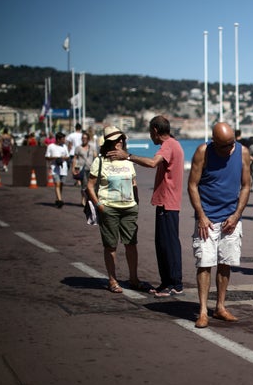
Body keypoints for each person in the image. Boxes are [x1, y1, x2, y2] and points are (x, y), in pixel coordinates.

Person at [109, 115, 185, 297]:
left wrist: (127, 156)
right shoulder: (173, 145)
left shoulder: (169, 145)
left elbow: (152, 163)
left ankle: (175, 284)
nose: (150, 136)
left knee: (169, 244)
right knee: (162, 244)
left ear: (155, 131)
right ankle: (167, 282)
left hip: (169, 202)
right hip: (166, 202)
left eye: (150, 132)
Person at [188, 122, 251, 328]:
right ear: (214, 142)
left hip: (231, 218)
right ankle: (203, 310)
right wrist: (201, 216)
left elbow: (246, 185)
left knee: (225, 262)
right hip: (207, 217)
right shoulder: (203, 152)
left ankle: (220, 306)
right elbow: (192, 185)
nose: (230, 149)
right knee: (204, 263)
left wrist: (236, 215)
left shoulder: (242, 152)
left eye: (232, 143)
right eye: (225, 146)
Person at [85, 126, 148, 293]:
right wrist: (99, 205)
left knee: (131, 244)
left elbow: (133, 182)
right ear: (109, 142)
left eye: (122, 139)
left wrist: (136, 202)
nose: (120, 141)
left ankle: (133, 278)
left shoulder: (128, 160)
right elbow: (90, 186)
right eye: (117, 139)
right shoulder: (100, 161)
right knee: (110, 246)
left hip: (129, 208)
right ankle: (112, 280)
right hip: (109, 208)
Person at [45, 132, 70, 207]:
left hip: (63, 168)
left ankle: (57, 198)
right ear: (58, 139)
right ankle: (60, 200)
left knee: (61, 184)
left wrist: (62, 158)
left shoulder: (64, 146)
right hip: (54, 168)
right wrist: (55, 158)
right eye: (63, 139)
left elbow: (67, 156)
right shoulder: (51, 146)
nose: (64, 140)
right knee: (57, 184)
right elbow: (46, 157)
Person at [71, 131, 96, 206]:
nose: (84, 139)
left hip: (91, 168)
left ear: (88, 139)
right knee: (84, 185)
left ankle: (88, 199)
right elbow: (75, 158)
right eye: (82, 138)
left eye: (85, 138)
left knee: (91, 185)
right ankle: (84, 199)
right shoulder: (78, 148)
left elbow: (95, 157)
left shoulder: (92, 147)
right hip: (82, 168)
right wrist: (73, 168)